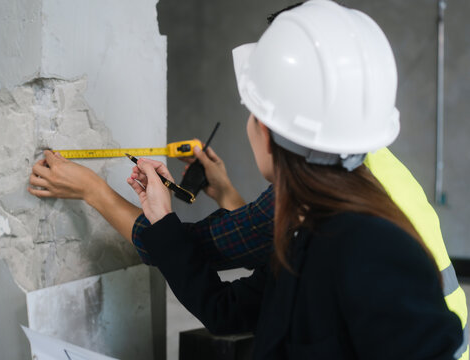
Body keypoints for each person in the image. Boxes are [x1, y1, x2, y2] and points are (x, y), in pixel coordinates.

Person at [28, 1, 468, 358]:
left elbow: (190, 249)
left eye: (254, 110)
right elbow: (229, 309)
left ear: (267, 132)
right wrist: (223, 197)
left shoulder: (359, 242)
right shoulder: (348, 185)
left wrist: (94, 190)